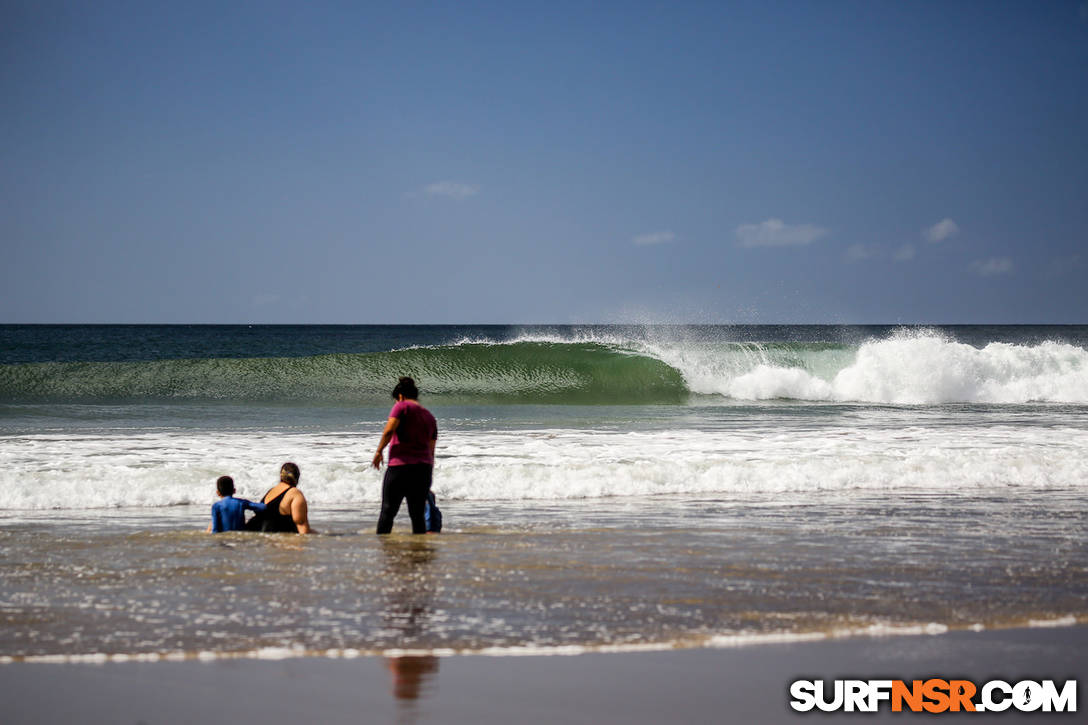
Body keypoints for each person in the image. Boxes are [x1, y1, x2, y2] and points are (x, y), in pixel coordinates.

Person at [372, 376, 438, 534]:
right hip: (423, 469)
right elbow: (431, 450)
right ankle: (419, 552)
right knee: (417, 516)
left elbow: (389, 430)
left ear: (400, 396)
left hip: (400, 466)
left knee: (388, 511)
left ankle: (383, 547)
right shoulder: (430, 417)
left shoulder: (401, 407)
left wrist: (379, 451)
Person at [244, 462, 314, 534]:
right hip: (274, 539)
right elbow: (303, 530)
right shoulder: (295, 493)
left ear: (281, 476)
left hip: (254, 534)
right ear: (297, 478)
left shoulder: (272, 491)